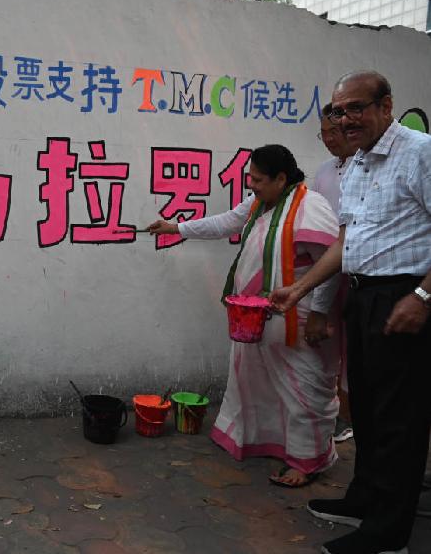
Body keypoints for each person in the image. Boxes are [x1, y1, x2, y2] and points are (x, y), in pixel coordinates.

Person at [271, 71, 430, 554]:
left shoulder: (420, 152)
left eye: (356, 108)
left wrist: (423, 298)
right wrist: (299, 288)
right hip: (362, 297)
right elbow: (347, 242)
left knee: (399, 418)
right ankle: (365, 500)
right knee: (366, 409)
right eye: (339, 111)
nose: (346, 119)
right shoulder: (356, 163)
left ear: (386, 105)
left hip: (405, 297)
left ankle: (388, 535)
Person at [147, 144, 340, 487]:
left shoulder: (311, 207)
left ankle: (307, 461)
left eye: (258, 179)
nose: (251, 185)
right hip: (255, 319)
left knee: (303, 390)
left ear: (282, 179)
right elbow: (226, 223)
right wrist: (176, 228)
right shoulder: (260, 203)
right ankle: (262, 441)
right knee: (255, 383)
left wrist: (320, 314)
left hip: (300, 320)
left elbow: (332, 264)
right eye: (250, 178)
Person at [310, 104, 358, 444]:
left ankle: (348, 415)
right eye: (323, 133)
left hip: (357, 268)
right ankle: (330, 409)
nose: (328, 139)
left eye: (334, 133)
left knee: (354, 347)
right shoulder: (325, 171)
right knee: (330, 341)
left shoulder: (365, 167)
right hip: (327, 266)